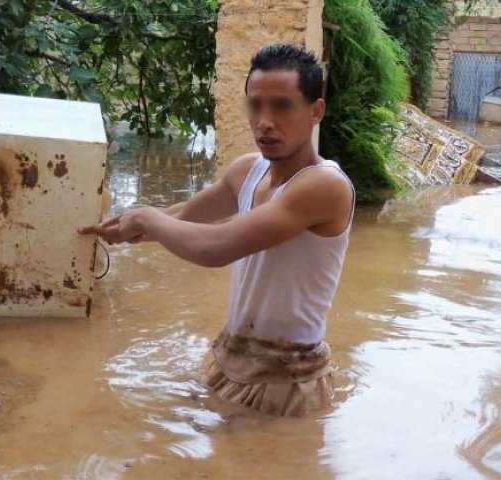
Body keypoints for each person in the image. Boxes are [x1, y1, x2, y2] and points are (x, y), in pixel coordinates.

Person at [79, 43, 355, 416]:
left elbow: (217, 247)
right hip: (232, 358)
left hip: (288, 380)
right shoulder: (247, 170)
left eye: (282, 105)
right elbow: (185, 216)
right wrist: (125, 228)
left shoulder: (324, 186)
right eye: (255, 105)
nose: (265, 121)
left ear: (315, 111)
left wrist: (147, 220)